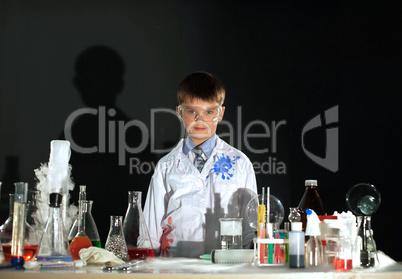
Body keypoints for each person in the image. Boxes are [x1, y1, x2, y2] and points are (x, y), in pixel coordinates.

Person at [143, 71, 258, 258]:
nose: (200, 119)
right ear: (179, 112)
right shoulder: (166, 167)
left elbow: (250, 228)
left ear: (220, 114)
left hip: (227, 268)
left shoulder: (240, 164)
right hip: (175, 268)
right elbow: (149, 233)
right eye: (191, 111)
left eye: (209, 112)